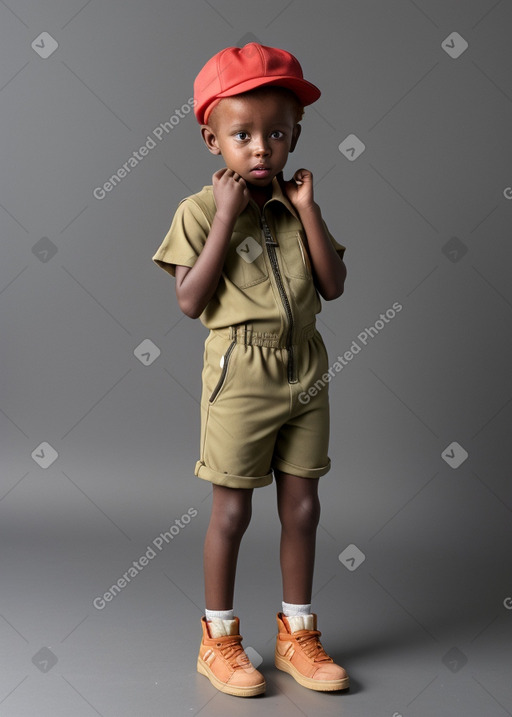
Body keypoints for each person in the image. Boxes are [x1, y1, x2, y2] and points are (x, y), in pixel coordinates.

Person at [152, 42, 349, 698]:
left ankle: (296, 633)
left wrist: (310, 210)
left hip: (306, 371)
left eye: (276, 133)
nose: (261, 147)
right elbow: (189, 301)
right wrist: (228, 217)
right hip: (241, 374)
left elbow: (333, 284)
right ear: (213, 139)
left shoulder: (298, 206)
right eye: (243, 135)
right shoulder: (201, 210)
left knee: (303, 504)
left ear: (294, 134)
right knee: (232, 511)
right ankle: (218, 638)